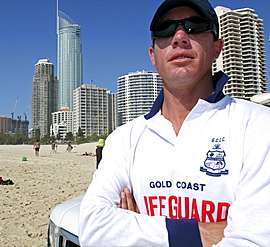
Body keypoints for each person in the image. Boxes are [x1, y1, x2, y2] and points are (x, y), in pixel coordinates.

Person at [78, 0, 270, 246]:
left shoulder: (258, 127)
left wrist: (139, 226)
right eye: (165, 29)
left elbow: (254, 240)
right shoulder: (124, 138)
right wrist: (204, 232)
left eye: (195, 26)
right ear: (153, 56)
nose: (179, 36)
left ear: (217, 48)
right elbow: (94, 229)